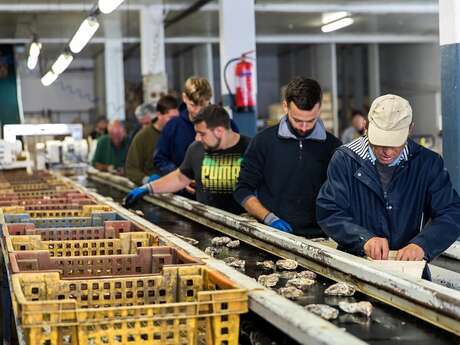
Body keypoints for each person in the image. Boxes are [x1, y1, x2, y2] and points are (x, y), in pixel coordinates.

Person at [316, 94, 460, 264]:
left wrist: (422, 245)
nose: (387, 152)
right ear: (367, 126)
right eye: (381, 143)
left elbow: (451, 213)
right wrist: (363, 239)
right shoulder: (345, 160)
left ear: (410, 129)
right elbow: (330, 211)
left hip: (409, 268)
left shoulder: (428, 163)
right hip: (356, 264)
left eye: (395, 144)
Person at [234, 77, 342, 236]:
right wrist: (268, 218)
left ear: (319, 109)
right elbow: (242, 190)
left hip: (320, 238)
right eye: (297, 120)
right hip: (273, 235)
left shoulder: (334, 147)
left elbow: (343, 197)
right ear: (285, 106)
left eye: (310, 120)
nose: (304, 127)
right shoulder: (263, 142)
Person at [125, 105, 250, 214]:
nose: (197, 138)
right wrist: (148, 188)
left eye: (202, 134)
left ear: (219, 131)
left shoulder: (251, 149)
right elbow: (180, 177)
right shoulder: (196, 149)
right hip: (209, 222)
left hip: (245, 227)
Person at [154, 76, 239, 177]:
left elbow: (237, 158)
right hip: (182, 191)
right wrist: (181, 176)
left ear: (209, 99)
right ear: (184, 98)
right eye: (193, 105)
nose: (198, 111)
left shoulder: (227, 125)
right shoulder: (172, 127)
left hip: (218, 188)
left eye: (203, 105)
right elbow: (160, 159)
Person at [125, 96, 179, 185]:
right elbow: (131, 169)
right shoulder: (142, 137)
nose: (175, 122)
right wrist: (146, 180)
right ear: (159, 115)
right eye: (171, 118)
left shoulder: (179, 134)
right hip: (154, 191)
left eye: (177, 118)